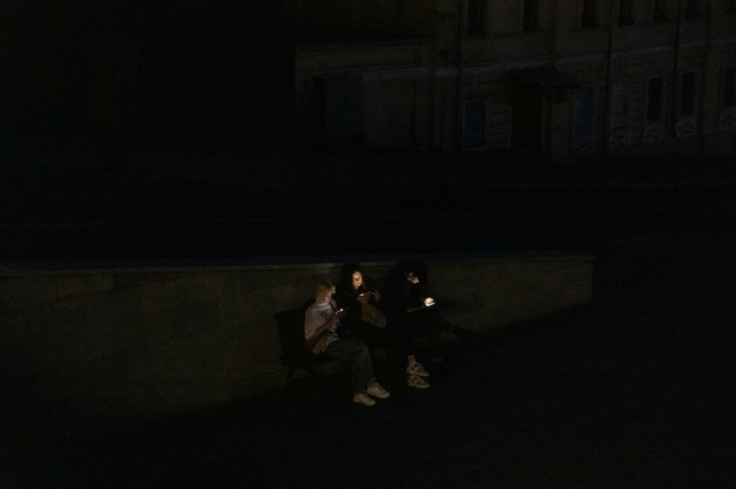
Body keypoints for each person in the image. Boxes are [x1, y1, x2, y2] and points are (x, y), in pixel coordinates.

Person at [384, 262, 474, 389]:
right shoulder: (395, 286)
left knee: (431, 326)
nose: (417, 282)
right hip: (400, 322)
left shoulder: (412, 285)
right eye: (417, 279)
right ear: (410, 274)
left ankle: (438, 362)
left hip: (413, 319)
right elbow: (398, 311)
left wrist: (425, 302)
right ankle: (454, 329)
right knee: (425, 316)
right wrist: (421, 307)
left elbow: (416, 299)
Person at [304, 279, 391, 406]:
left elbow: (339, 319)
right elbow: (310, 335)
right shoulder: (312, 311)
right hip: (326, 342)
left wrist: (341, 314)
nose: (330, 297)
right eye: (328, 295)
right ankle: (370, 385)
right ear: (321, 295)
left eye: (330, 295)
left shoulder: (332, 302)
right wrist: (329, 322)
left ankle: (360, 392)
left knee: (358, 356)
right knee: (361, 349)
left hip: (340, 336)